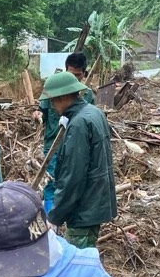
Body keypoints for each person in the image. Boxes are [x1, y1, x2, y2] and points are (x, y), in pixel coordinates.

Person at [40, 70, 117, 248]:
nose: (51, 105)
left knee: (78, 262)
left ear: (64, 96)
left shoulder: (79, 124)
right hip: (95, 200)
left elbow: (72, 176)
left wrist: (54, 216)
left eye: (53, 100)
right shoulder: (93, 112)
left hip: (84, 207)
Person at [33, 53, 93, 214]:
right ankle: (51, 220)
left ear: (84, 74)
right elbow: (42, 111)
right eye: (70, 74)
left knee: (73, 180)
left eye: (78, 76)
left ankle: (67, 215)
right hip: (54, 145)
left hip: (75, 146)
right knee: (52, 182)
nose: (74, 79)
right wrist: (38, 115)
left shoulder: (87, 95)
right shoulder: (54, 89)